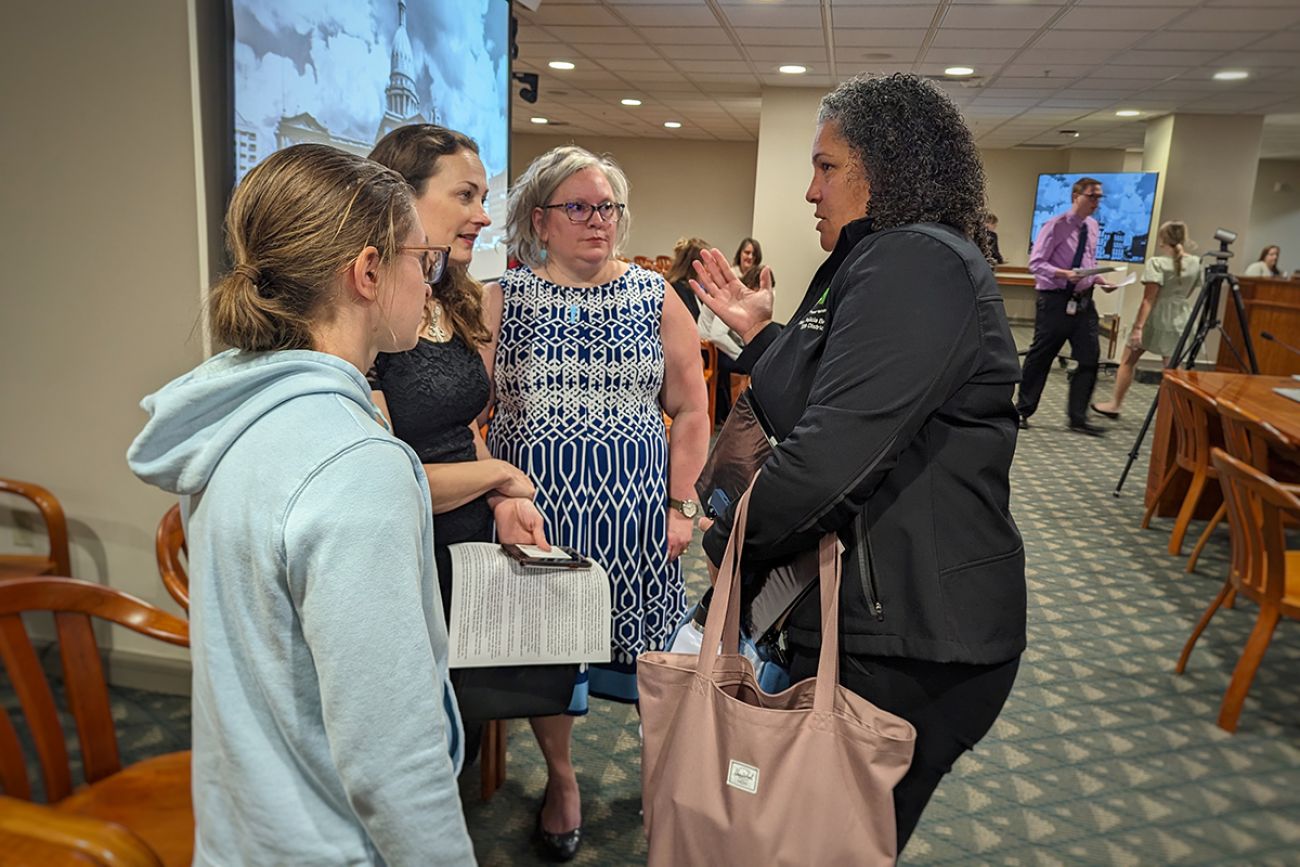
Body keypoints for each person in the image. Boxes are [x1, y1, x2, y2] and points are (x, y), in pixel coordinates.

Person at [690, 72, 1024, 852]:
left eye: (826, 166)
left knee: (813, 847)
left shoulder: (915, 262)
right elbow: (828, 398)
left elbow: (825, 463)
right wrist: (761, 337)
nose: (809, 190)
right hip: (879, 617)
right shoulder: (878, 259)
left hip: (911, 637)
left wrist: (725, 551)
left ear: (888, 168)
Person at [127, 144, 475, 865]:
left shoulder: (236, 418)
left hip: (243, 831)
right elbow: (394, 759)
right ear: (369, 271)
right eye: (421, 259)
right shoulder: (357, 467)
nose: (429, 280)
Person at [482, 145, 709, 860]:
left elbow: (694, 409)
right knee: (552, 658)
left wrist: (683, 507)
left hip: (638, 519)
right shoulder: (503, 297)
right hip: (539, 517)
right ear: (539, 220)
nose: (597, 220)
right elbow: (471, 412)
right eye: (578, 207)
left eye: (606, 206)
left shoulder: (654, 295)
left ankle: (660, 779)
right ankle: (562, 779)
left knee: (652, 662)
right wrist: (492, 489)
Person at [366, 124, 547, 618]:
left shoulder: (456, 297)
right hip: (405, 557)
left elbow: (464, 428)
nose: (484, 217)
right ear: (401, 198)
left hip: (467, 550)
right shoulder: (369, 318)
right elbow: (390, 480)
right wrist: (500, 475)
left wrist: (501, 502)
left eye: (484, 197)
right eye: (465, 196)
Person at [1015, 177, 1118, 437]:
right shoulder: (1056, 226)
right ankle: (1022, 410)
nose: (1096, 202)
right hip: (1055, 301)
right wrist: (1063, 274)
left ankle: (1078, 418)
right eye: (1091, 196)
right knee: (1041, 357)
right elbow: (1036, 263)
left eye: (1099, 198)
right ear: (1076, 196)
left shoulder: (1093, 227)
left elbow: (1089, 261)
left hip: (1084, 302)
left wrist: (1099, 278)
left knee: (1089, 358)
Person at [1092, 221, 1201, 418]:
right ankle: (1176, 413)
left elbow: (1148, 300)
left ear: (1162, 239)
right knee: (1173, 369)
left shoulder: (1157, 264)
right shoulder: (1195, 263)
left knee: (1127, 361)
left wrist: (1137, 328)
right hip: (1180, 318)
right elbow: (1190, 291)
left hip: (1155, 317)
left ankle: (1115, 404)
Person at [668, 236, 744, 424]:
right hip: (689, 350)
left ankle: (723, 413)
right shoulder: (678, 288)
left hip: (701, 346)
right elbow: (686, 327)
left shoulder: (693, 290)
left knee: (726, 356)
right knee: (728, 360)